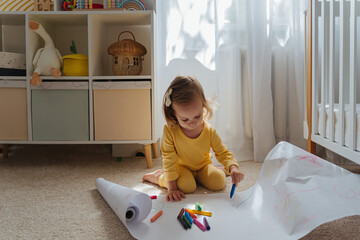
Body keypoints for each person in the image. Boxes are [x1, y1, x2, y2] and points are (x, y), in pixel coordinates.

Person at [143, 76, 244, 202]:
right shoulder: (170, 130)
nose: (192, 123)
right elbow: (169, 158)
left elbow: (222, 152)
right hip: (181, 168)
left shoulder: (208, 130)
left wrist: (233, 167)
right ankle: (158, 177)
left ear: (203, 106)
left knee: (219, 182)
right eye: (184, 119)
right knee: (187, 187)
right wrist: (172, 188)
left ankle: (214, 171)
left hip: (203, 166)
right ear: (173, 113)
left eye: (197, 116)